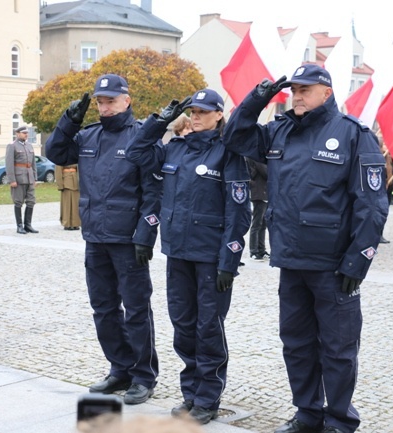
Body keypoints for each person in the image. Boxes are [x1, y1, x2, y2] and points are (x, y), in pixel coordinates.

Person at [223, 64, 388, 433]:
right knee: (296, 344)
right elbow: (234, 137)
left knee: (338, 349)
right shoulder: (279, 132)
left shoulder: (352, 135)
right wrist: (258, 98)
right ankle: (308, 413)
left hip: (333, 266)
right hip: (291, 260)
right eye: (293, 90)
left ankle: (340, 420)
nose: (297, 96)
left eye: (306, 90)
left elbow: (372, 205)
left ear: (326, 93)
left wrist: (357, 262)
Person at [126, 89, 250, 424]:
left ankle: (208, 398)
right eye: (192, 111)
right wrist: (161, 120)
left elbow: (239, 212)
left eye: (203, 112)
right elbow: (137, 151)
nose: (195, 117)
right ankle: (191, 393)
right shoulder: (174, 149)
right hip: (178, 252)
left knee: (208, 326)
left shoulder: (228, 153)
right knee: (183, 325)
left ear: (218, 115)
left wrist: (230, 260)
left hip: (210, 257)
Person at [46, 74, 161, 405]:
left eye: (110, 101)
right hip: (95, 236)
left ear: (127, 100)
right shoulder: (88, 136)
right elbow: (57, 151)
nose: (104, 107)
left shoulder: (140, 136)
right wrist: (70, 119)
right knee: (104, 309)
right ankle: (119, 368)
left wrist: (145, 235)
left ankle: (143, 375)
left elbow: (153, 192)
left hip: (128, 240)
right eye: (99, 102)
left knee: (136, 310)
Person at [6, 125, 38, 234]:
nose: (26, 135)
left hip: (29, 177)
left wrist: (35, 178)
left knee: (31, 201)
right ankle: (19, 226)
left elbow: (33, 163)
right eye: (24, 133)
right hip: (19, 178)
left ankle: (28, 225)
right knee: (18, 202)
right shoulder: (12, 146)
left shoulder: (29, 146)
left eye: (27, 133)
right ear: (18, 134)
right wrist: (12, 180)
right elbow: (9, 164)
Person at [247, 157, 270, 260]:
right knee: (257, 223)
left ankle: (261, 249)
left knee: (263, 223)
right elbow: (266, 172)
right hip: (259, 193)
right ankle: (254, 250)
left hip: (263, 193)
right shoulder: (257, 158)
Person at [54, 163, 80, 230]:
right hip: (66, 181)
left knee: (75, 204)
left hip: (76, 181)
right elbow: (58, 170)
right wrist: (60, 184)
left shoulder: (75, 155)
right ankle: (67, 223)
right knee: (67, 204)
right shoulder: (61, 156)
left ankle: (75, 223)